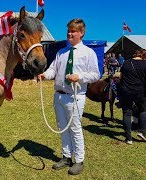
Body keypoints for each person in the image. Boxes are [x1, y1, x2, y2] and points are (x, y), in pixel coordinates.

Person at [37, 18, 100, 175]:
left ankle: (79, 160)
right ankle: (66, 157)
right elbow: (53, 70)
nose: (69, 33)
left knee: (75, 128)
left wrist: (80, 76)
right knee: (62, 128)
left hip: (75, 97)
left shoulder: (88, 53)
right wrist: (45, 75)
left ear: (81, 33)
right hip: (58, 96)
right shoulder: (61, 52)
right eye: (68, 31)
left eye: (73, 31)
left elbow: (95, 74)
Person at [119, 49, 146, 145]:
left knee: (127, 113)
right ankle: (142, 132)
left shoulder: (126, 63)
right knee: (143, 110)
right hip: (140, 91)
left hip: (126, 91)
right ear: (143, 56)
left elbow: (120, 78)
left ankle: (128, 138)